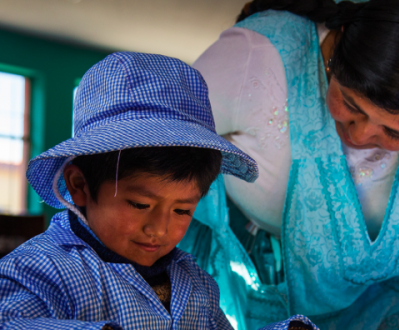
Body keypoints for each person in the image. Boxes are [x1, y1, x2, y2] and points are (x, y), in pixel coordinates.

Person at [0, 52, 318, 330]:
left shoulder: (193, 282)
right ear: (80, 185)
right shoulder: (37, 270)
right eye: (140, 204)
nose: (159, 230)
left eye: (182, 210)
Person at [179, 0, 399, 329]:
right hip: (249, 295)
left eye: (394, 132)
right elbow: (159, 154)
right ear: (340, 44)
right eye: (350, 104)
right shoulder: (258, 60)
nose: (361, 135)